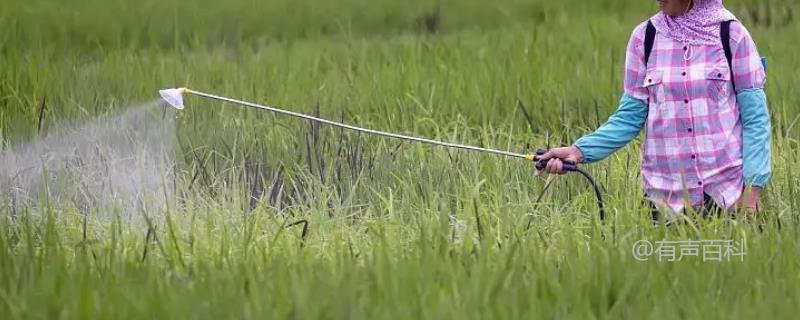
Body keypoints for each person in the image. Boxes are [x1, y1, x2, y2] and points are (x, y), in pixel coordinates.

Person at [534, 0, 770, 219]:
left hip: (726, 197)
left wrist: (752, 194)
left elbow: (755, 119)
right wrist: (578, 151)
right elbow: (628, 118)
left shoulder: (731, 34)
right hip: (663, 203)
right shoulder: (645, 37)